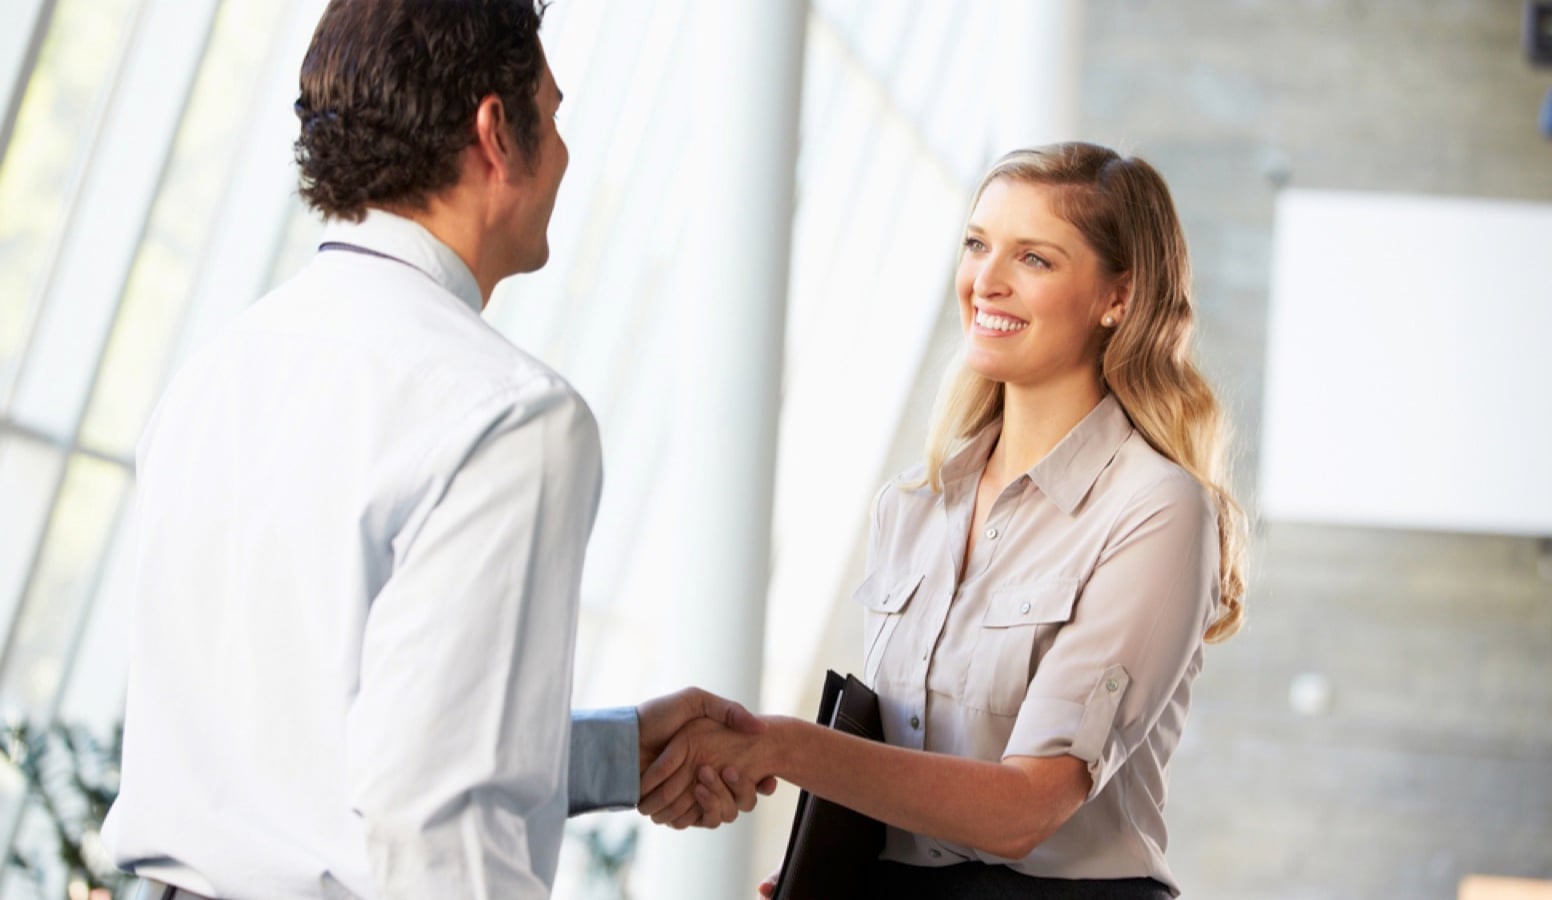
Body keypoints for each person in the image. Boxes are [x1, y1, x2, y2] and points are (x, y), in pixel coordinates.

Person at [101, 2, 763, 898]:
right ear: (496, 132)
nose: (565, 152)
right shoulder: (512, 417)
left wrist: (606, 756)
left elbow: (303, 749)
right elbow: (441, 835)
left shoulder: (214, 374)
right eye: (556, 113)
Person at [640, 142, 1249, 899]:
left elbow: (1026, 808)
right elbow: (905, 759)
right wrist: (829, 863)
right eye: (976, 244)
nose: (985, 282)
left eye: (1034, 259)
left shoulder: (1156, 510)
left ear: (1116, 298)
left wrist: (780, 747)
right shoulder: (912, 503)